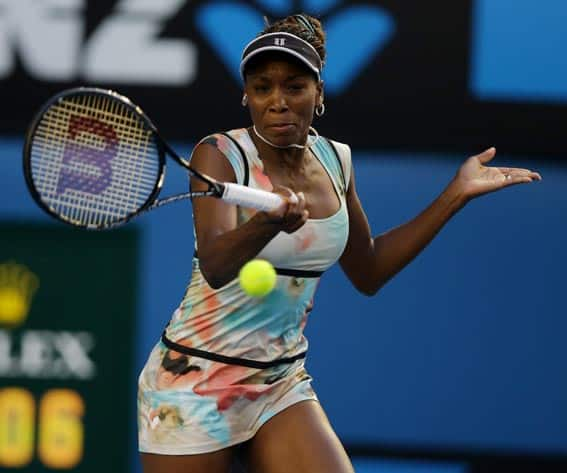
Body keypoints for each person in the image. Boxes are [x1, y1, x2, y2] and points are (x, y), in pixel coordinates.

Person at [137, 13, 541, 473]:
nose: (278, 102)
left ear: (319, 94)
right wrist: (269, 223)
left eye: (294, 86)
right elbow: (215, 262)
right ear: (245, 96)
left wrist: (455, 195)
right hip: (194, 381)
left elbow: (368, 270)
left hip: (278, 381)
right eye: (263, 87)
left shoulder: (336, 161)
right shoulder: (220, 154)